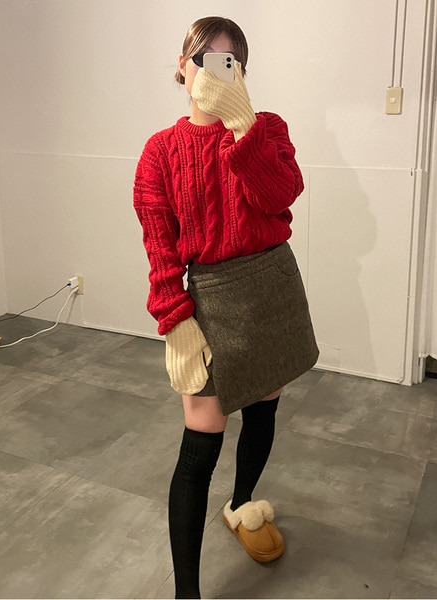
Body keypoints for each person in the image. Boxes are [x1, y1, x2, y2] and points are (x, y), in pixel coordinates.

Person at [133, 16, 319, 599]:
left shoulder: (267, 129)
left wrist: (244, 128)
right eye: (204, 58)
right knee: (201, 439)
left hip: (272, 288)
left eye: (229, 61)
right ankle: (186, 593)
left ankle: (241, 505)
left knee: (264, 406)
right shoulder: (160, 152)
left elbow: (281, 194)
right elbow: (160, 248)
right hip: (211, 298)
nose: (215, 71)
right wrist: (176, 322)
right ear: (182, 66)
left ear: (242, 72)